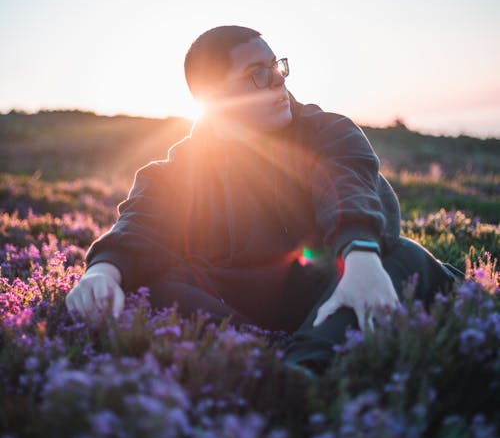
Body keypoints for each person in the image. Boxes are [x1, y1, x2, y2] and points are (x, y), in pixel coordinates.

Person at [65, 25, 463, 374]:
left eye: (279, 67)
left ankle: (299, 374)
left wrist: (359, 256)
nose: (279, 82)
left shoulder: (328, 132)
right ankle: (272, 354)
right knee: (152, 285)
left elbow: (347, 190)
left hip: (344, 276)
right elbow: (141, 223)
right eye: (259, 75)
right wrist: (102, 272)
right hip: (259, 305)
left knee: (401, 259)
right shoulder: (179, 168)